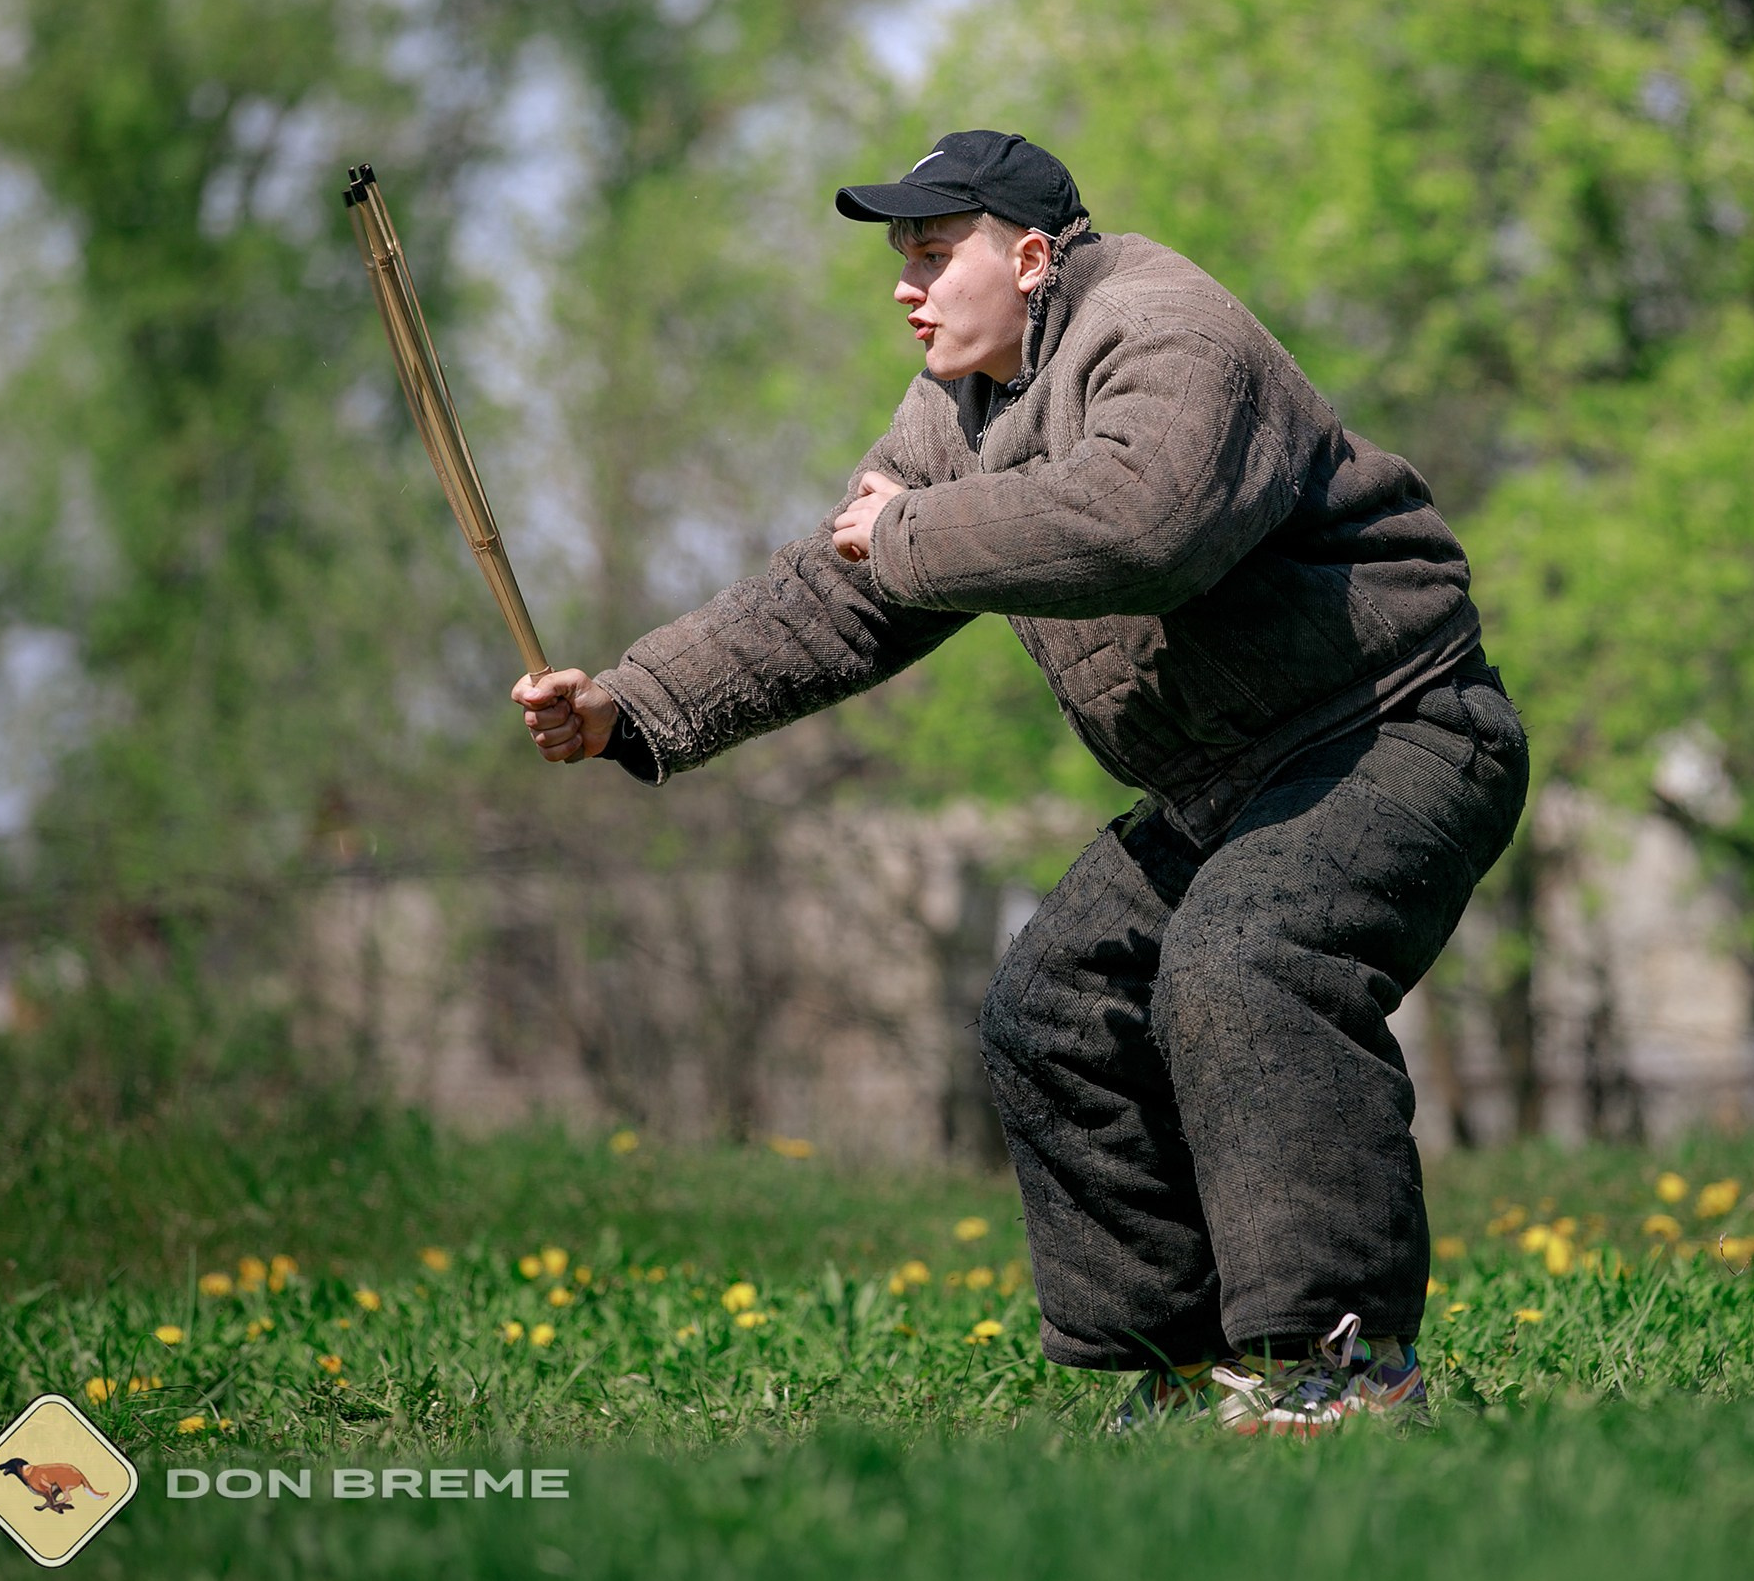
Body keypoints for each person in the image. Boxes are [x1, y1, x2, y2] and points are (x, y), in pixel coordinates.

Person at [511, 130, 1527, 1435]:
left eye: (936, 254)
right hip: (1221, 784)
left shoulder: (1169, 331)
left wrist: (908, 531)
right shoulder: (958, 408)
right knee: (1053, 1008)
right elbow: (840, 592)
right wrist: (631, 705)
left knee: (1249, 959)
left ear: (1033, 257)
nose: (907, 286)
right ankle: (1179, 1373)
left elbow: (1140, 524)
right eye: (902, 259)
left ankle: (1346, 1368)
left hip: (1396, 732)